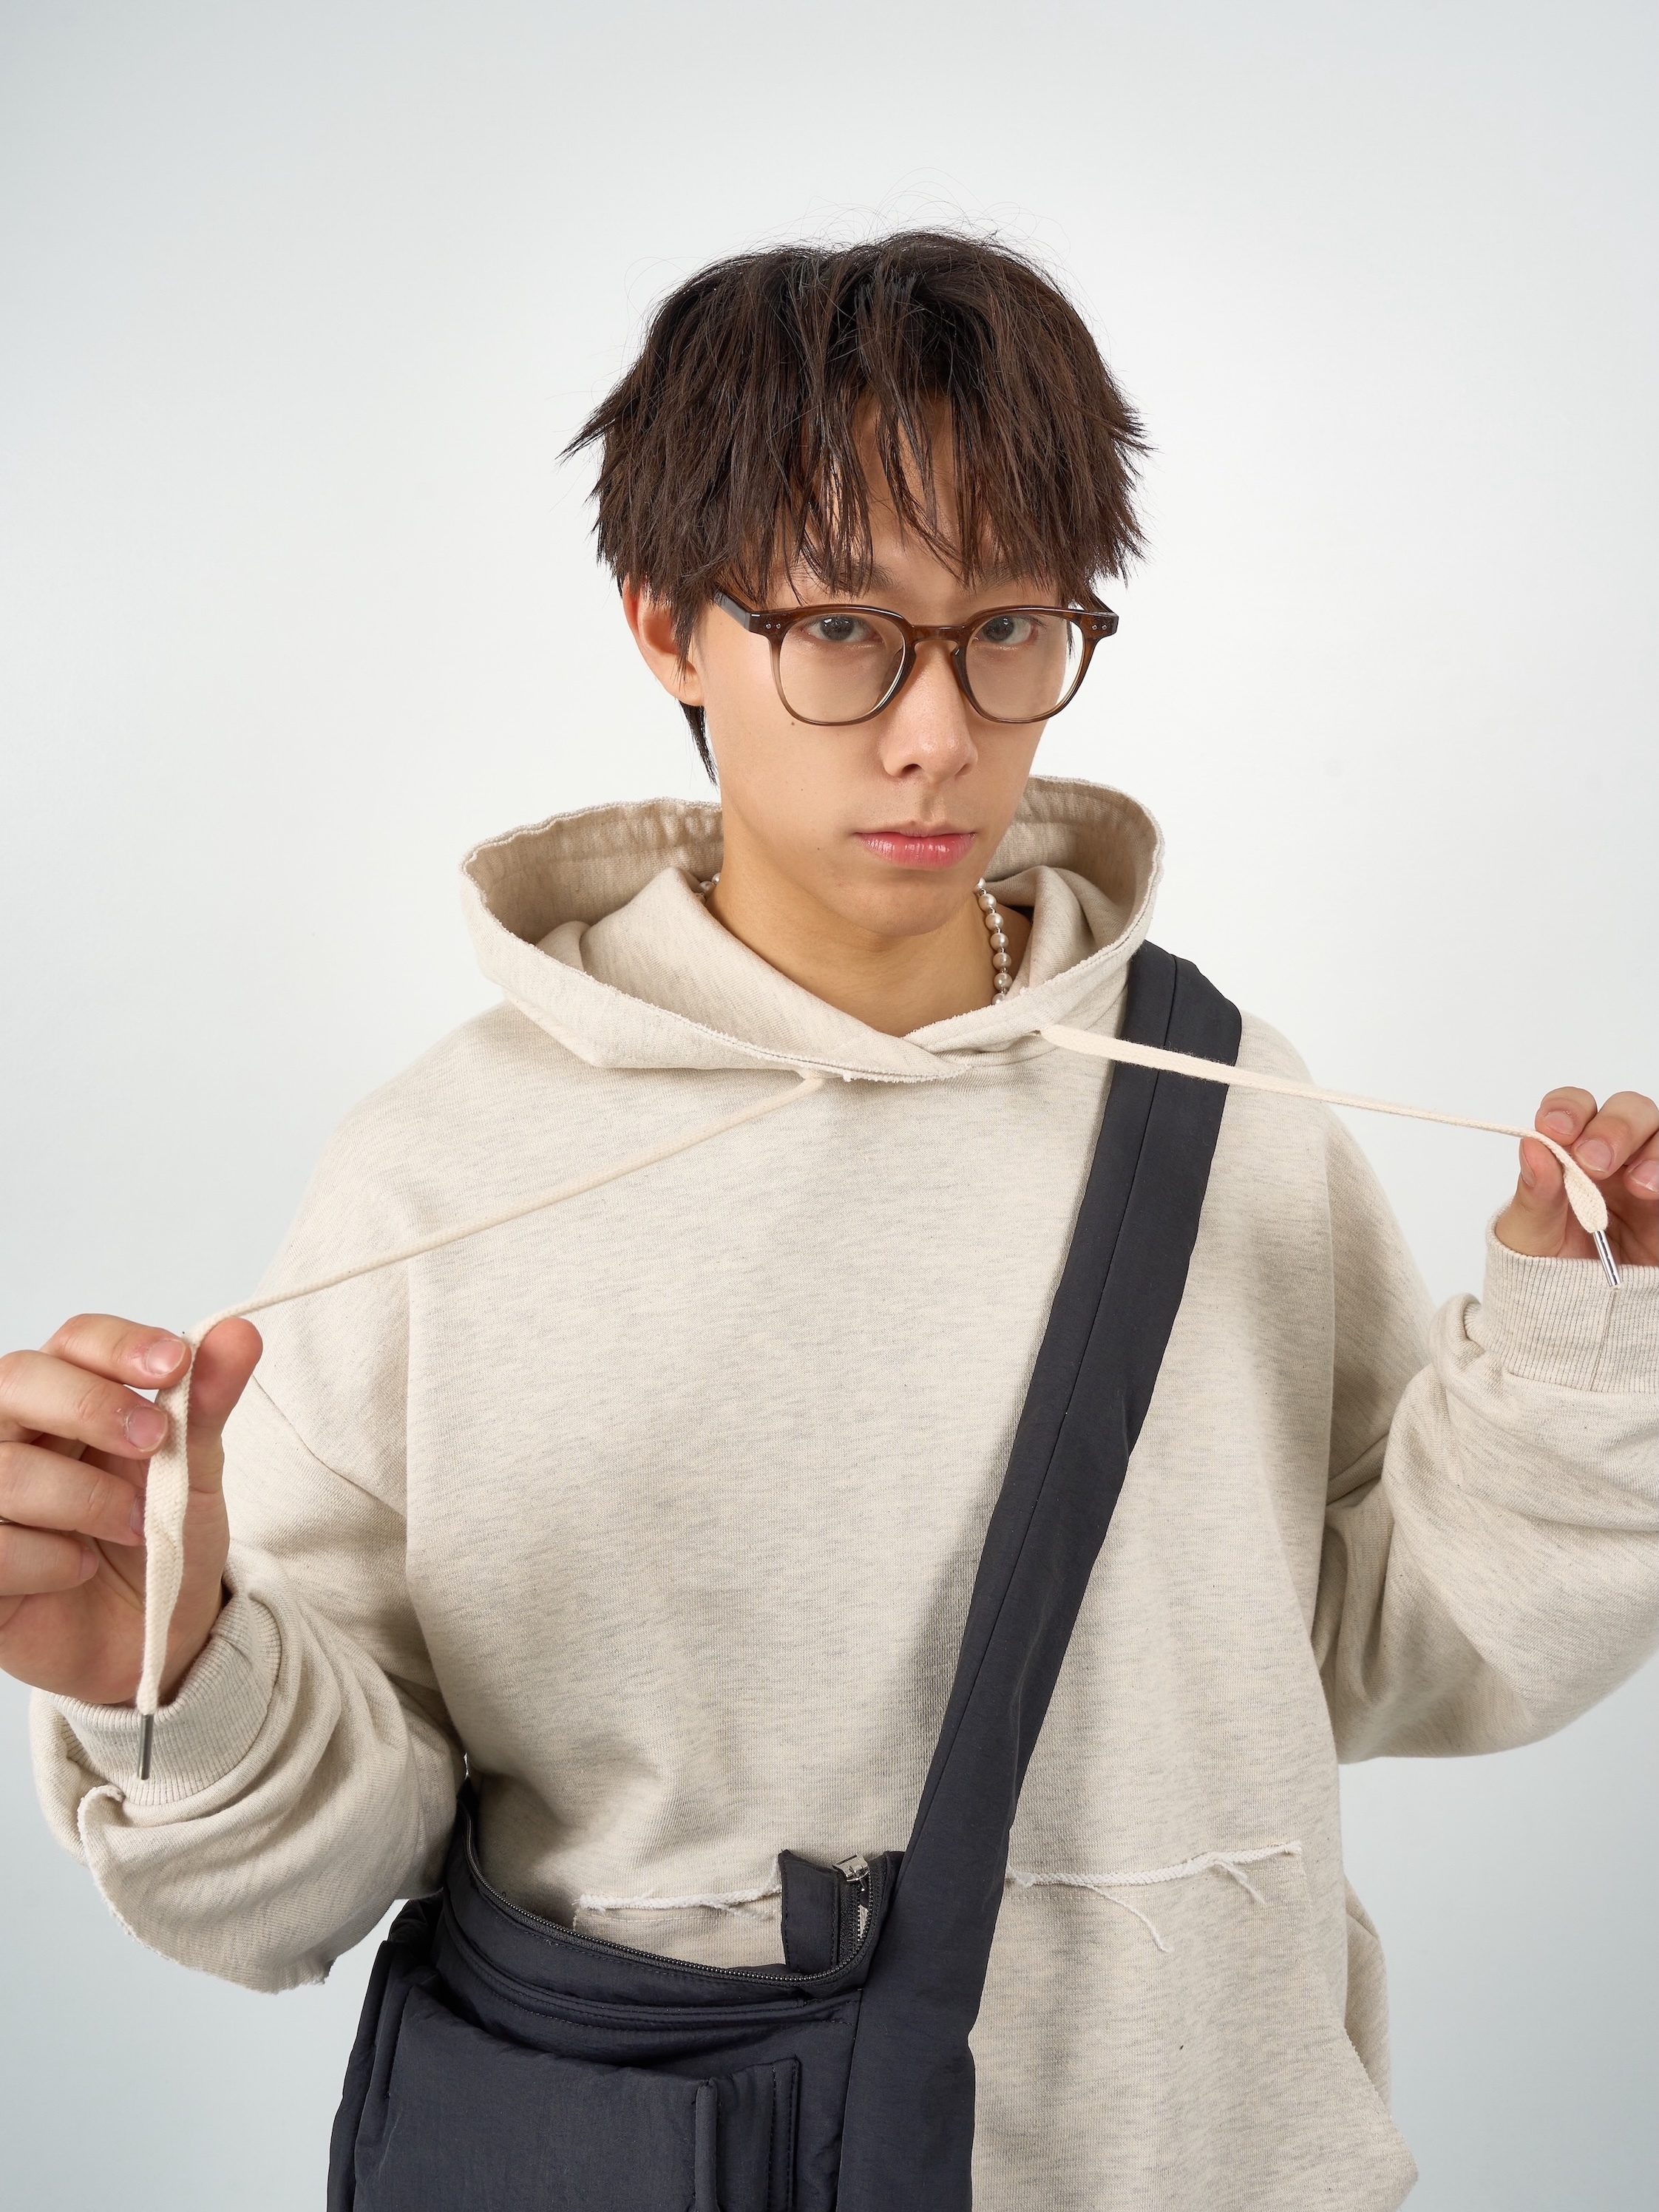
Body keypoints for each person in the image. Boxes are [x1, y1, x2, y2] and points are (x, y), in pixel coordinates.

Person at [2, 231, 1655, 2211]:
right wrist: (170, 1667)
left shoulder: (1217, 1099)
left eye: (1008, 628)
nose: (938, 732)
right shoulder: (441, 1166)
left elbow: (1399, 1646)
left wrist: (1581, 1351)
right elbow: (293, 1892)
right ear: (665, 627)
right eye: (845, 631)